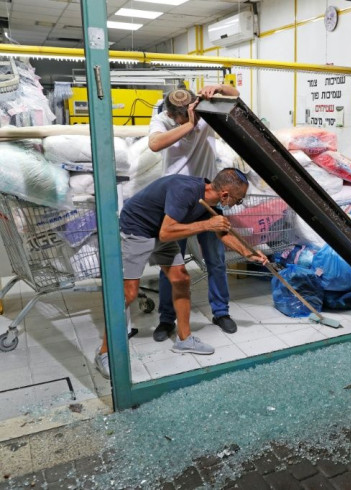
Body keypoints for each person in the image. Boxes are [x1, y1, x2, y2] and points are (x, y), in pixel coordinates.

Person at [94, 168, 269, 379]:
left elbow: (222, 232)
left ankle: (184, 339)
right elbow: (167, 232)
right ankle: (104, 352)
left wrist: (248, 253)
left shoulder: (209, 203)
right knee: (128, 293)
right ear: (224, 195)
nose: (235, 205)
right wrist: (206, 224)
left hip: (162, 233)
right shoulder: (185, 190)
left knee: (181, 279)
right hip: (138, 229)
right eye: (238, 200)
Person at [148, 83, 241, 341]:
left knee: (216, 260)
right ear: (171, 115)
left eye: (193, 114)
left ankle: (221, 312)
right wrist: (187, 125)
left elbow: (235, 97)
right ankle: (167, 319)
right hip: (176, 201)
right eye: (184, 116)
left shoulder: (205, 113)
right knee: (170, 264)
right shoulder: (162, 121)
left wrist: (219, 88)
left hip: (208, 196)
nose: (194, 119)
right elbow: (154, 145)